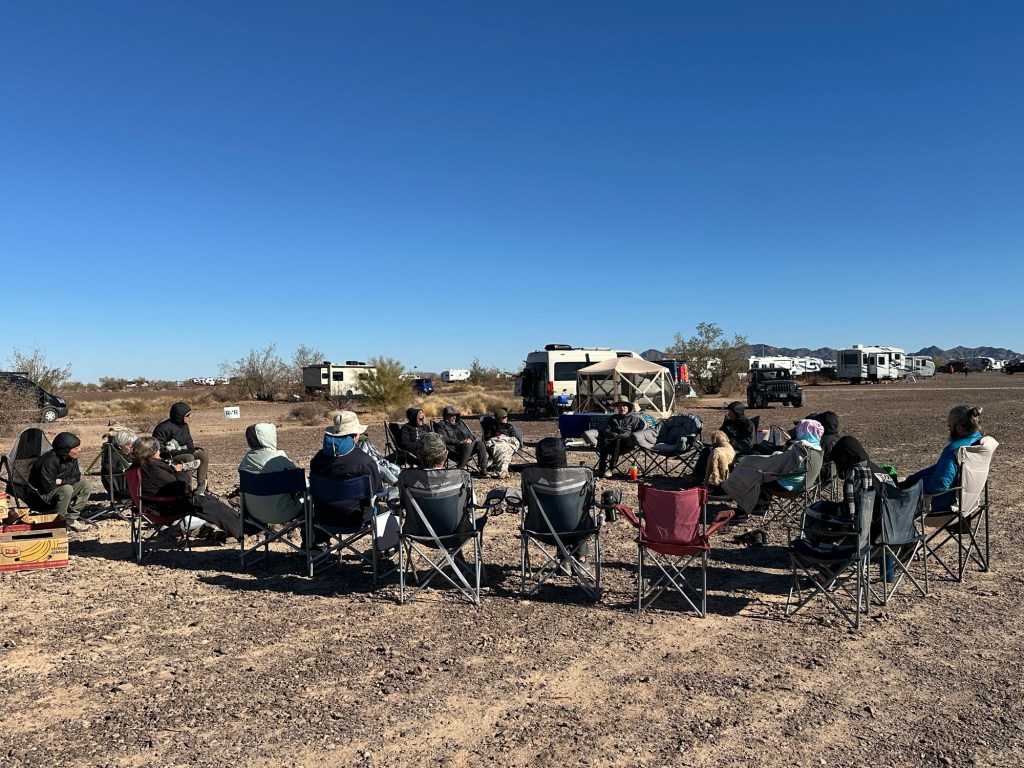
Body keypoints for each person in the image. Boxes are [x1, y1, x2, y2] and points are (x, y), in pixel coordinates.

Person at [131, 435, 247, 543]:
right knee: (214, 505)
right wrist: (180, 472)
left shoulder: (136, 467)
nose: (160, 451)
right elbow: (179, 486)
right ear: (153, 451)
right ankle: (241, 531)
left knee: (211, 501)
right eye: (158, 449)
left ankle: (240, 526)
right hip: (167, 508)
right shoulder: (153, 468)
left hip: (151, 507)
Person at [721, 419, 824, 519]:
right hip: (804, 485)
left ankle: (751, 507)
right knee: (763, 473)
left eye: (798, 429)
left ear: (803, 431)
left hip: (788, 488)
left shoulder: (801, 449)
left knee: (755, 476)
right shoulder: (816, 449)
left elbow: (777, 462)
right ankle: (757, 505)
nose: (796, 431)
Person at [309, 411, 386, 539]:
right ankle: (385, 548)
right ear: (355, 436)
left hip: (323, 519)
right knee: (388, 511)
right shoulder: (364, 461)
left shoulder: (317, 460)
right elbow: (377, 490)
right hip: (356, 519)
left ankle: (317, 545)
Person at [901, 405, 983, 511]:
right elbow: (938, 469)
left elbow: (940, 484)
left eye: (950, 426)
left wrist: (912, 488)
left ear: (959, 428)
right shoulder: (978, 443)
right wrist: (912, 480)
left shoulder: (954, 449)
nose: (948, 428)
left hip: (941, 504)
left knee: (889, 501)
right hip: (968, 502)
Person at [237, 422, 304, 525]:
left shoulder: (246, 460)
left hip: (254, 514)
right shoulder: (277, 459)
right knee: (311, 502)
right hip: (284, 513)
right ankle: (312, 534)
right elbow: (301, 484)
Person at [29, 432, 93, 533]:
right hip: (42, 497)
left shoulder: (72, 458)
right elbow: (47, 487)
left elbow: (76, 477)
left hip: (60, 490)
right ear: (66, 450)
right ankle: (59, 524)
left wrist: (62, 481)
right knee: (67, 489)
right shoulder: (49, 461)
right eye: (76, 448)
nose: (79, 450)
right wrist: (64, 485)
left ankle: (71, 519)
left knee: (85, 485)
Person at [688, 401, 755, 481]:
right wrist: (724, 426)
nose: (728, 414)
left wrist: (730, 443)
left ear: (737, 413)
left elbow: (747, 443)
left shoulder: (748, 424)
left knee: (716, 453)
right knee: (706, 450)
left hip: (738, 449)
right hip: (723, 446)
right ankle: (697, 476)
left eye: (730, 412)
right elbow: (719, 434)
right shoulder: (729, 422)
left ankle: (720, 479)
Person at [153, 402, 210, 495]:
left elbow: (190, 445)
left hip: (183, 452)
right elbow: (159, 449)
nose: (190, 416)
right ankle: (186, 488)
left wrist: (187, 450)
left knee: (203, 456)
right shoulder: (162, 428)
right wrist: (182, 451)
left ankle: (201, 487)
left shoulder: (184, 426)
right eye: (188, 415)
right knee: (189, 457)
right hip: (169, 456)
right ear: (179, 416)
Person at [595, 397, 648, 478]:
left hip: (626, 443)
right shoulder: (613, 418)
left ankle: (611, 469)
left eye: (624, 406)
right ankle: (601, 469)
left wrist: (623, 435)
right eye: (620, 406)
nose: (622, 408)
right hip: (612, 441)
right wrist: (612, 434)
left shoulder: (634, 419)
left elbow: (637, 432)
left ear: (628, 407)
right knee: (605, 441)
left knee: (618, 441)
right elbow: (605, 429)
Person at [436, 406, 488, 474]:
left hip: (466, 447)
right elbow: (444, 439)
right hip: (453, 450)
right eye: (451, 415)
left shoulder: (460, 423)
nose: (454, 417)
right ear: (446, 416)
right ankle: (460, 469)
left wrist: (470, 439)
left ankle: (483, 469)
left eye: (455, 415)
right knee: (467, 446)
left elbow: (470, 435)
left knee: (480, 444)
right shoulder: (441, 425)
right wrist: (460, 442)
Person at [100, 427, 137, 502]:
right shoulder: (113, 455)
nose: (131, 448)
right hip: (120, 488)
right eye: (129, 445)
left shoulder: (127, 454)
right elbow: (107, 470)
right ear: (121, 444)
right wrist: (124, 470)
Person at [483, 408, 520, 479]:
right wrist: (498, 437)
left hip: (508, 443)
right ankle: (503, 471)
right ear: (499, 418)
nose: (506, 418)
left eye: (506, 416)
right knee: (504, 451)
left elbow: (514, 438)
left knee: (505, 449)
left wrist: (505, 437)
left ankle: (501, 471)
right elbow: (487, 438)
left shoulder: (509, 426)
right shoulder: (492, 427)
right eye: (504, 417)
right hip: (497, 443)